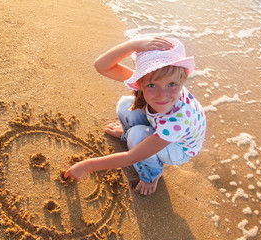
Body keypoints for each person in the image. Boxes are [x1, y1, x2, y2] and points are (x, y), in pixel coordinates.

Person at [64, 36, 206, 195]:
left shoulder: (178, 119)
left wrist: (85, 166)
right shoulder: (159, 82)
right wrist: (133, 45)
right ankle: (127, 135)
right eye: (152, 85)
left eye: (171, 85)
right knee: (126, 105)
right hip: (161, 125)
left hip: (179, 148)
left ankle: (153, 174)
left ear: (182, 80)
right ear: (140, 82)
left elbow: (130, 158)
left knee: (138, 136)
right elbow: (101, 66)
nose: (162, 94)